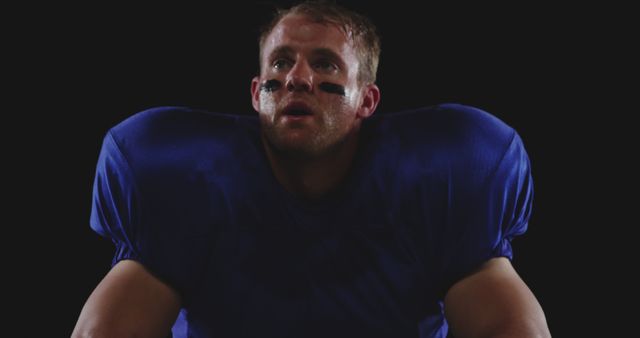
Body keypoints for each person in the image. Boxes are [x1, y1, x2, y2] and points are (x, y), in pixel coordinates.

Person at [72, 1, 550, 337]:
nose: (297, 78)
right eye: (281, 63)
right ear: (256, 92)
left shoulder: (442, 175)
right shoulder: (184, 176)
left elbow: (506, 328)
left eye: (325, 65)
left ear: (368, 99)